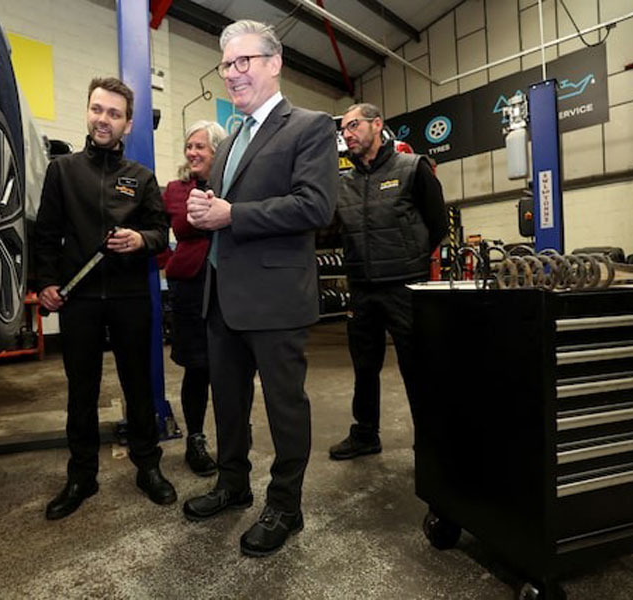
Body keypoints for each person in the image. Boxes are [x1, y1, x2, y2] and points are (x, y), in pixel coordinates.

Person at [182, 20, 338, 557]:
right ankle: (232, 483)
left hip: (275, 298)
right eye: (226, 64)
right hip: (221, 295)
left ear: (275, 64)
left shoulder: (310, 127)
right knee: (227, 401)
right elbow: (225, 210)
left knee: (283, 407)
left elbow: (316, 206)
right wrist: (206, 211)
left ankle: (285, 506)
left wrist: (232, 213)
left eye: (244, 61)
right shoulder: (230, 142)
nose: (233, 73)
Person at [34, 77, 176, 521]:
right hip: (80, 299)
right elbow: (45, 235)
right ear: (88, 111)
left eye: (114, 114)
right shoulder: (63, 171)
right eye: (98, 109)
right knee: (82, 391)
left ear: (128, 124)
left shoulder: (142, 178)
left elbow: (162, 234)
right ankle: (81, 476)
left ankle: (148, 467)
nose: (104, 119)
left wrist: (140, 238)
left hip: (131, 296)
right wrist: (46, 282)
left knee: (139, 387)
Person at [328, 103, 447, 461]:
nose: (347, 134)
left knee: (416, 367)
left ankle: (429, 441)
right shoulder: (342, 184)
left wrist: (411, 263)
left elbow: (438, 225)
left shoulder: (412, 168)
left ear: (377, 124)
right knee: (365, 366)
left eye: (353, 126)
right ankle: (365, 434)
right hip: (362, 289)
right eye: (344, 129)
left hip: (405, 287)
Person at [162, 120, 227, 477]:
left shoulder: (233, 183)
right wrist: (169, 262)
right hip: (191, 285)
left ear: (217, 151)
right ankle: (196, 440)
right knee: (198, 367)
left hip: (230, 283)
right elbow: (168, 229)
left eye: (200, 146)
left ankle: (235, 434)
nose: (192, 153)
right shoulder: (175, 188)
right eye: (189, 146)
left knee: (233, 366)